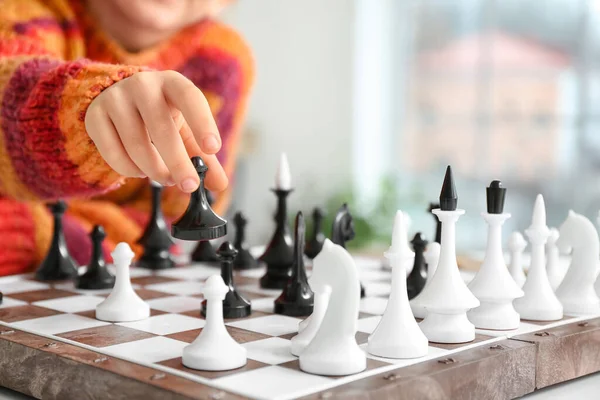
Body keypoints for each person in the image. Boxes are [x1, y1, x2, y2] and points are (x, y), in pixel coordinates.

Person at [0, 0, 254, 275]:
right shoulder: (18, 11)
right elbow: (10, 102)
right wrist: (81, 108)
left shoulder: (223, 61)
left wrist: (35, 233)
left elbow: (167, 229)